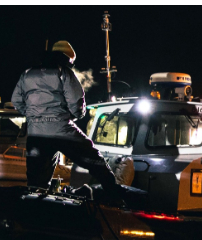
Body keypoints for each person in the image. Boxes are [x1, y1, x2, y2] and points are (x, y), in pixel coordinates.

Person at [11, 40, 124, 201]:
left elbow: (16, 100)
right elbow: (76, 102)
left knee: (36, 180)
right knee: (95, 161)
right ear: (68, 58)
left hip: (36, 134)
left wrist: (33, 117)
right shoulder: (63, 72)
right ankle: (117, 198)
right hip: (61, 130)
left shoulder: (28, 73)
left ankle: (34, 211)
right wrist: (75, 116)